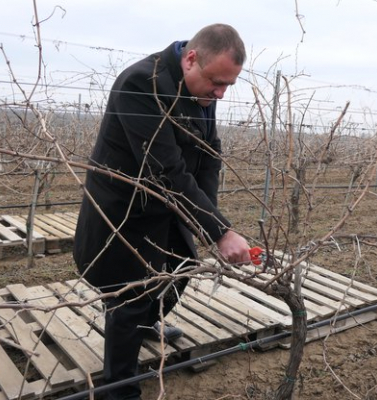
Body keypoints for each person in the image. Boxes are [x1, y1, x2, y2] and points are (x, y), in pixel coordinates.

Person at [73, 23, 252, 400]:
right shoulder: (141, 83)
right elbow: (164, 170)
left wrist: (211, 222)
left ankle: (146, 323)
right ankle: (118, 390)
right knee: (130, 297)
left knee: (181, 268)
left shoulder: (203, 90)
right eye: (217, 82)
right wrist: (220, 232)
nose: (220, 93)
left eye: (227, 86)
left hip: (167, 207)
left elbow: (208, 158)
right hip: (125, 211)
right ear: (191, 59)